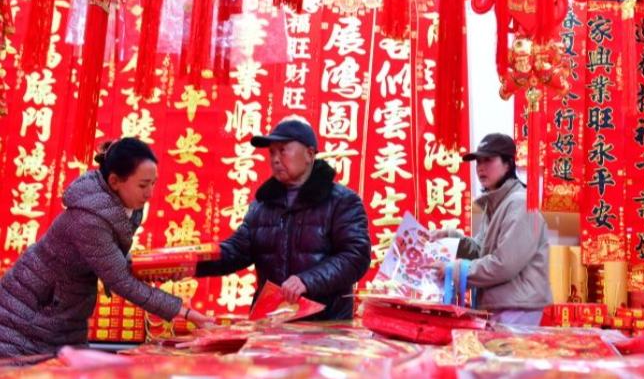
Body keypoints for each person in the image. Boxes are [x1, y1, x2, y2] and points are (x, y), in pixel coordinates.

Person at [0, 138, 210, 361]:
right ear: (114, 181)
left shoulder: (124, 206)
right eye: (142, 185)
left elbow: (113, 260)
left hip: (62, 315)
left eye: (153, 183)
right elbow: (120, 280)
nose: (149, 193)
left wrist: (158, 269)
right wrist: (188, 314)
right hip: (27, 318)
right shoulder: (89, 220)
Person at [196, 118, 371, 320]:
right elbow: (235, 251)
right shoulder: (262, 205)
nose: (275, 159)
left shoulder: (342, 201)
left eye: (283, 150)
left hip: (325, 327)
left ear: (310, 153)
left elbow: (355, 255)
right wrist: (188, 264)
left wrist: (308, 281)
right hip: (272, 324)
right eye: (272, 152)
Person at [433, 133, 552, 325]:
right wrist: (452, 239)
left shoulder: (520, 205)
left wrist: (456, 270)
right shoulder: (498, 203)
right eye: (478, 161)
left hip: (517, 307)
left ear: (508, 163)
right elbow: (482, 251)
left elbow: (503, 264)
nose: (480, 167)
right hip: (504, 304)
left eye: (488, 160)